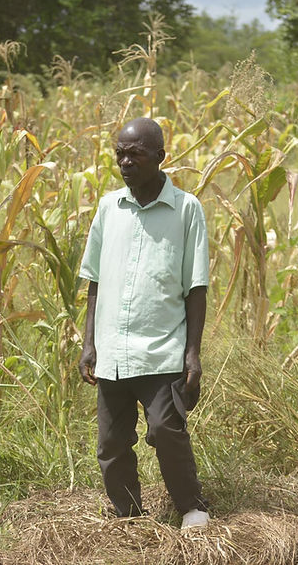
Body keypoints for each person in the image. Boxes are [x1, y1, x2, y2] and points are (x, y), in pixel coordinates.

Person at [78, 116, 210, 531]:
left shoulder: (187, 209)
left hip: (162, 349)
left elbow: (196, 288)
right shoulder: (108, 207)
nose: (125, 161)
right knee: (112, 443)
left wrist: (192, 354)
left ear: (160, 156)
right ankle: (129, 516)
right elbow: (95, 282)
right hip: (113, 351)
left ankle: (191, 506)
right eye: (120, 153)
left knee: (165, 430)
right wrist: (89, 344)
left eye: (135, 153)